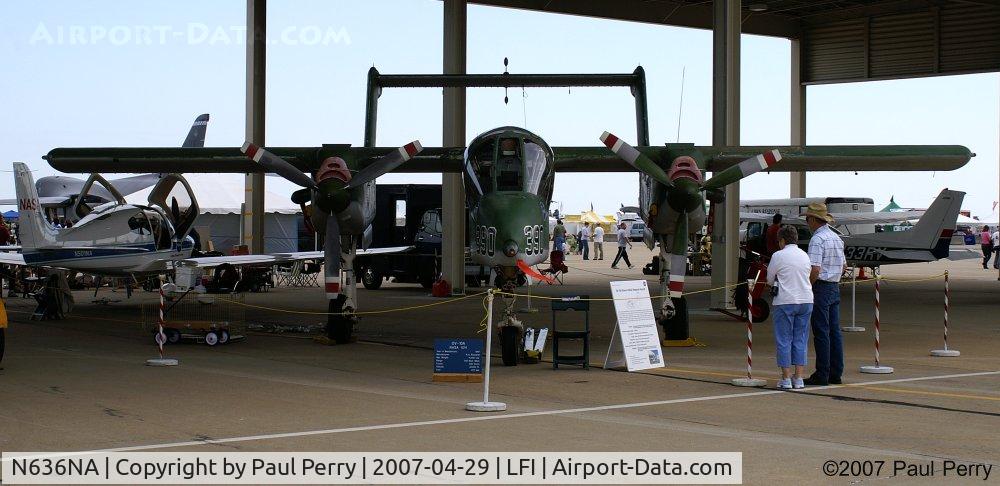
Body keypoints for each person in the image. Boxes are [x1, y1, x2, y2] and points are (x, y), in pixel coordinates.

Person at [802, 203, 846, 386]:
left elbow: (815, 269)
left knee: (821, 331)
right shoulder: (836, 238)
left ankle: (822, 373)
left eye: (807, 220)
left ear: (813, 219)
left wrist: (807, 286)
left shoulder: (817, 239)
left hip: (821, 287)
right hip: (834, 286)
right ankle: (835, 372)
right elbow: (843, 266)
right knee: (834, 332)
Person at [766, 225, 813, 390]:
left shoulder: (778, 255)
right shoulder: (804, 255)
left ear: (782, 240)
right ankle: (798, 377)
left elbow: (770, 280)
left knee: (784, 339)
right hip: (806, 300)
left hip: (785, 301)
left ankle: (785, 378)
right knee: (800, 339)